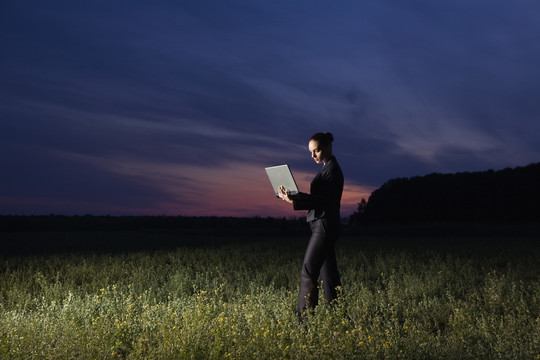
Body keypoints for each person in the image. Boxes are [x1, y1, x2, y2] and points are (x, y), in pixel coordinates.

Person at [278, 132, 344, 319]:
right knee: (329, 276)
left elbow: (322, 201)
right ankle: (339, 318)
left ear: (328, 148)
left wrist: (295, 198)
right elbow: (318, 199)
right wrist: (292, 198)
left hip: (324, 227)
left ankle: (304, 323)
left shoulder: (332, 170)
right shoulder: (327, 168)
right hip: (323, 226)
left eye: (317, 150)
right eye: (310, 152)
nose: (313, 156)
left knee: (308, 273)